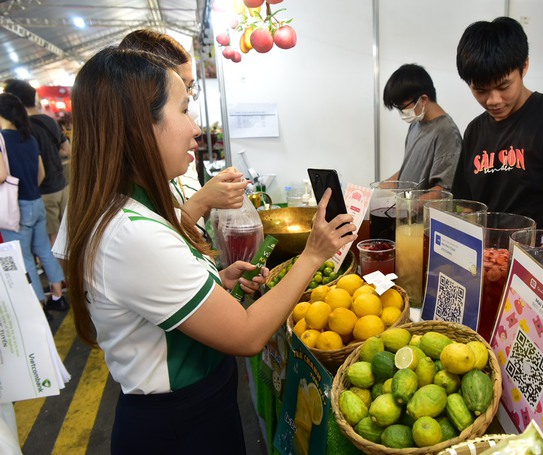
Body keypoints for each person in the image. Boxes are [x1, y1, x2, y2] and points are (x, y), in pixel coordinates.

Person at [63, 47, 355, 454]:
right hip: (178, 427)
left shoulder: (131, 208)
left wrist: (216, 283)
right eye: (184, 110)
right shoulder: (132, 233)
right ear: (139, 127)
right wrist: (312, 255)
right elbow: (249, 335)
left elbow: (161, 301)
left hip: (193, 411)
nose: (196, 129)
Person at [452, 17, 543, 231]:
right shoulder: (475, 131)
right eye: (480, 90)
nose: (493, 100)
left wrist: (529, 260)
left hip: (540, 256)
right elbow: (466, 206)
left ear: (524, 66)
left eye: (503, 86)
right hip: (489, 258)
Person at [119, 29, 242, 228]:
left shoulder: (178, 141)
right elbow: (155, 235)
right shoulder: (121, 185)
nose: (195, 129)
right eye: (179, 86)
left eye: (190, 87)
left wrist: (212, 198)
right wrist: (203, 200)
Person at [0, 93, 67, 319]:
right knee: (45, 251)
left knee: (25, 258)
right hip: (36, 200)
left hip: (15, 209)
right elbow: (41, 173)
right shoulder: (28, 137)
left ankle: (39, 306)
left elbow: (1, 175)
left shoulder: (1, 139)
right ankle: (58, 297)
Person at [3, 79, 71, 246]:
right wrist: (53, 157)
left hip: (43, 193)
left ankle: (62, 272)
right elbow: (67, 150)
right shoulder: (49, 120)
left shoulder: (21, 131)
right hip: (62, 185)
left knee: (53, 242)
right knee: (69, 232)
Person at [382, 63, 462, 192]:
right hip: (406, 210)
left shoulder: (446, 132)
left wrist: (407, 205)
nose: (402, 113)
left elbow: (442, 191)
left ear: (423, 99)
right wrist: (378, 189)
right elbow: (408, 171)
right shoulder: (415, 125)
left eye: (403, 107)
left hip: (422, 212)